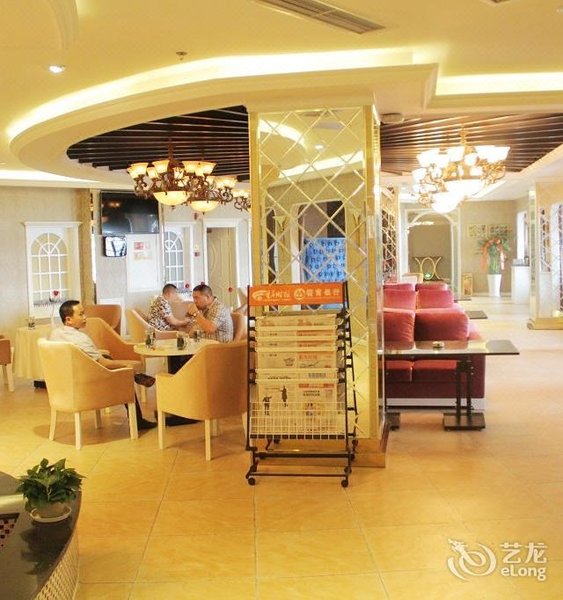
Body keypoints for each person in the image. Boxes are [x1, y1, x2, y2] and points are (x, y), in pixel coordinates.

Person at [49, 300, 157, 430]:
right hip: (89, 383)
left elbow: (83, 356)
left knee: (105, 356)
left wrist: (99, 354)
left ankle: (137, 376)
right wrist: (127, 365)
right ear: (68, 319)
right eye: (81, 314)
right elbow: (103, 364)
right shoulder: (81, 339)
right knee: (124, 373)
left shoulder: (54, 334)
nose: (85, 317)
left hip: (67, 381)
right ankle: (138, 420)